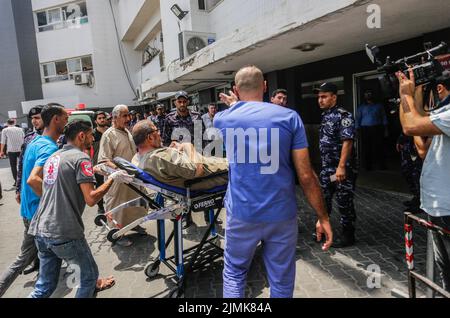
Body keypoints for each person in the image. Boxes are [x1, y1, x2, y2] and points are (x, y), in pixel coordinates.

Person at [216, 65, 332, 298]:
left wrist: (235, 105)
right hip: (281, 213)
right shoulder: (289, 118)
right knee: (281, 278)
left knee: (235, 272)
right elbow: (306, 175)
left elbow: (233, 117)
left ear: (235, 90)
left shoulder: (223, 119)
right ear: (266, 86)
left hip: (242, 213)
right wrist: (323, 217)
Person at [27, 120, 128, 298]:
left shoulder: (55, 156)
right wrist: (112, 177)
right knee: (88, 279)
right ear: (81, 136)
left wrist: (92, 171)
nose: (92, 139)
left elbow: (64, 180)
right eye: (90, 136)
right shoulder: (81, 158)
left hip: (41, 230)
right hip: (64, 233)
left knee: (43, 288)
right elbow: (91, 199)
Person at [0, 105, 68, 298]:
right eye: (65, 118)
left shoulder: (35, 141)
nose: (67, 122)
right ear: (55, 119)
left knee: (34, 259)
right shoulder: (48, 147)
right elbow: (33, 179)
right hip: (40, 215)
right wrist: (55, 203)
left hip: (30, 212)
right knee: (70, 249)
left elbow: (24, 172)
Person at [396, 69, 450, 292]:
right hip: (440, 208)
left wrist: (406, 95)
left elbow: (410, 125)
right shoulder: (443, 118)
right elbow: (422, 149)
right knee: (445, 272)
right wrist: (413, 96)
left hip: (447, 209)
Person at [162, 91, 215, 228]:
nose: (182, 104)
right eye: (179, 101)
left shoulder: (196, 117)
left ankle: (208, 215)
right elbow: (166, 140)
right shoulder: (169, 119)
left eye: (184, 101)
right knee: (184, 188)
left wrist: (204, 156)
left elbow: (202, 137)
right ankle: (187, 216)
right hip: (180, 160)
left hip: (196, 156)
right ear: (175, 103)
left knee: (204, 185)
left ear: (188, 102)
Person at [315, 82, 358, 248]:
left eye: (324, 96)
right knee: (324, 199)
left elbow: (347, 142)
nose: (320, 100)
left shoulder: (344, 115)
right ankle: (324, 230)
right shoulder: (326, 115)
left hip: (341, 170)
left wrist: (341, 167)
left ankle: (348, 235)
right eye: (319, 97)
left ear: (334, 97)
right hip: (328, 170)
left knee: (344, 201)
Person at [97, 105, 147, 246]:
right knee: (117, 206)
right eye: (124, 116)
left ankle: (133, 225)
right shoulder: (109, 135)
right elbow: (104, 160)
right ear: (114, 118)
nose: (128, 118)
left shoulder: (127, 131)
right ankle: (117, 234)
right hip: (118, 180)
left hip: (132, 178)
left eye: (128, 115)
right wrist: (120, 171)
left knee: (134, 204)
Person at [131, 120, 228, 190]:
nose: (160, 133)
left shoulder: (137, 159)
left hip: (207, 169)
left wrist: (170, 151)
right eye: (157, 131)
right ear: (150, 137)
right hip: (222, 171)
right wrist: (187, 146)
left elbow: (169, 165)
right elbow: (198, 170)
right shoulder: (160, 158)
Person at [14, 105, 45, 275]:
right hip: (30, 190)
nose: (34, 121)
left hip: (46, 189)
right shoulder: (28, 139)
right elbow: (21, 165)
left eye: (38, 117)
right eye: (32, 118)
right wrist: (18, 188)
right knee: (30, 229)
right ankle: (36, 262)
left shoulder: (57, 137)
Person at [356, 90, 388, 170]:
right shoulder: (361, 107)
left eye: (369, 94)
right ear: (364, 96)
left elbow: (384, 117)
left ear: (372, 95)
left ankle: (381, 165)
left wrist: (386, 129)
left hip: (377, 128)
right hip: (365, 129)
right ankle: (368, 166)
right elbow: (357, 118)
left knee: (379, 147)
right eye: (366, 94)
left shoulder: (379, 106)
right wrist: (357, 129)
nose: (368, 95)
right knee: (367, 148)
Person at [396, 133, 424, 212]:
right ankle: (416, 197)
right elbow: (406, 128)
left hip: (420, 145)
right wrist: (400, 140)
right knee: (407, 172)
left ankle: (421, 203)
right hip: (408, 145)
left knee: (418, 175)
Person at [0, 119, 25, 187]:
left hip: (11, 150)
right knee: (23, 164)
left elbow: (3, 141)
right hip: (21, 149)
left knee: (13, 166)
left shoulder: (5, 130)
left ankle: (17, 181)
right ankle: (23, 179)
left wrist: (1, 151)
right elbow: (24, 138)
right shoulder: (20, 129)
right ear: (14, 123)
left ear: (7, 123)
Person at [92, 111, 108, 214]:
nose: (102, 120)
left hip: (110, 164)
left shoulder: (110, 132)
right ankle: (101, 207)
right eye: (99, 118)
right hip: (97, 165)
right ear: (95, 121)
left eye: (103, 118)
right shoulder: (92, 134)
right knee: (99, 187)